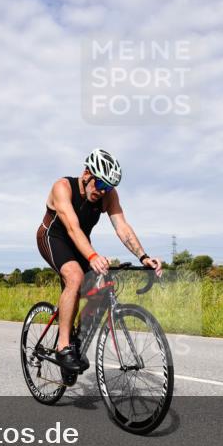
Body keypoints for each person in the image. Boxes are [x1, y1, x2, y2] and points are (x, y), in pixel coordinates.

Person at [36, 149, 162, 373]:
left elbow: (122, 227)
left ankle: (77, 342)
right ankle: (63, 346)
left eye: (108, 188)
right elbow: (73, 229)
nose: (102, 192)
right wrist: (93, 256)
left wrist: (143, 256)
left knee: (102, 288)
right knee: (74, 277)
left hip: (79, 243)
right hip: (52, 237)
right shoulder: (62, 188)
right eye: (100, 185)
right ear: (87, 173)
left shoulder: (108, 195)